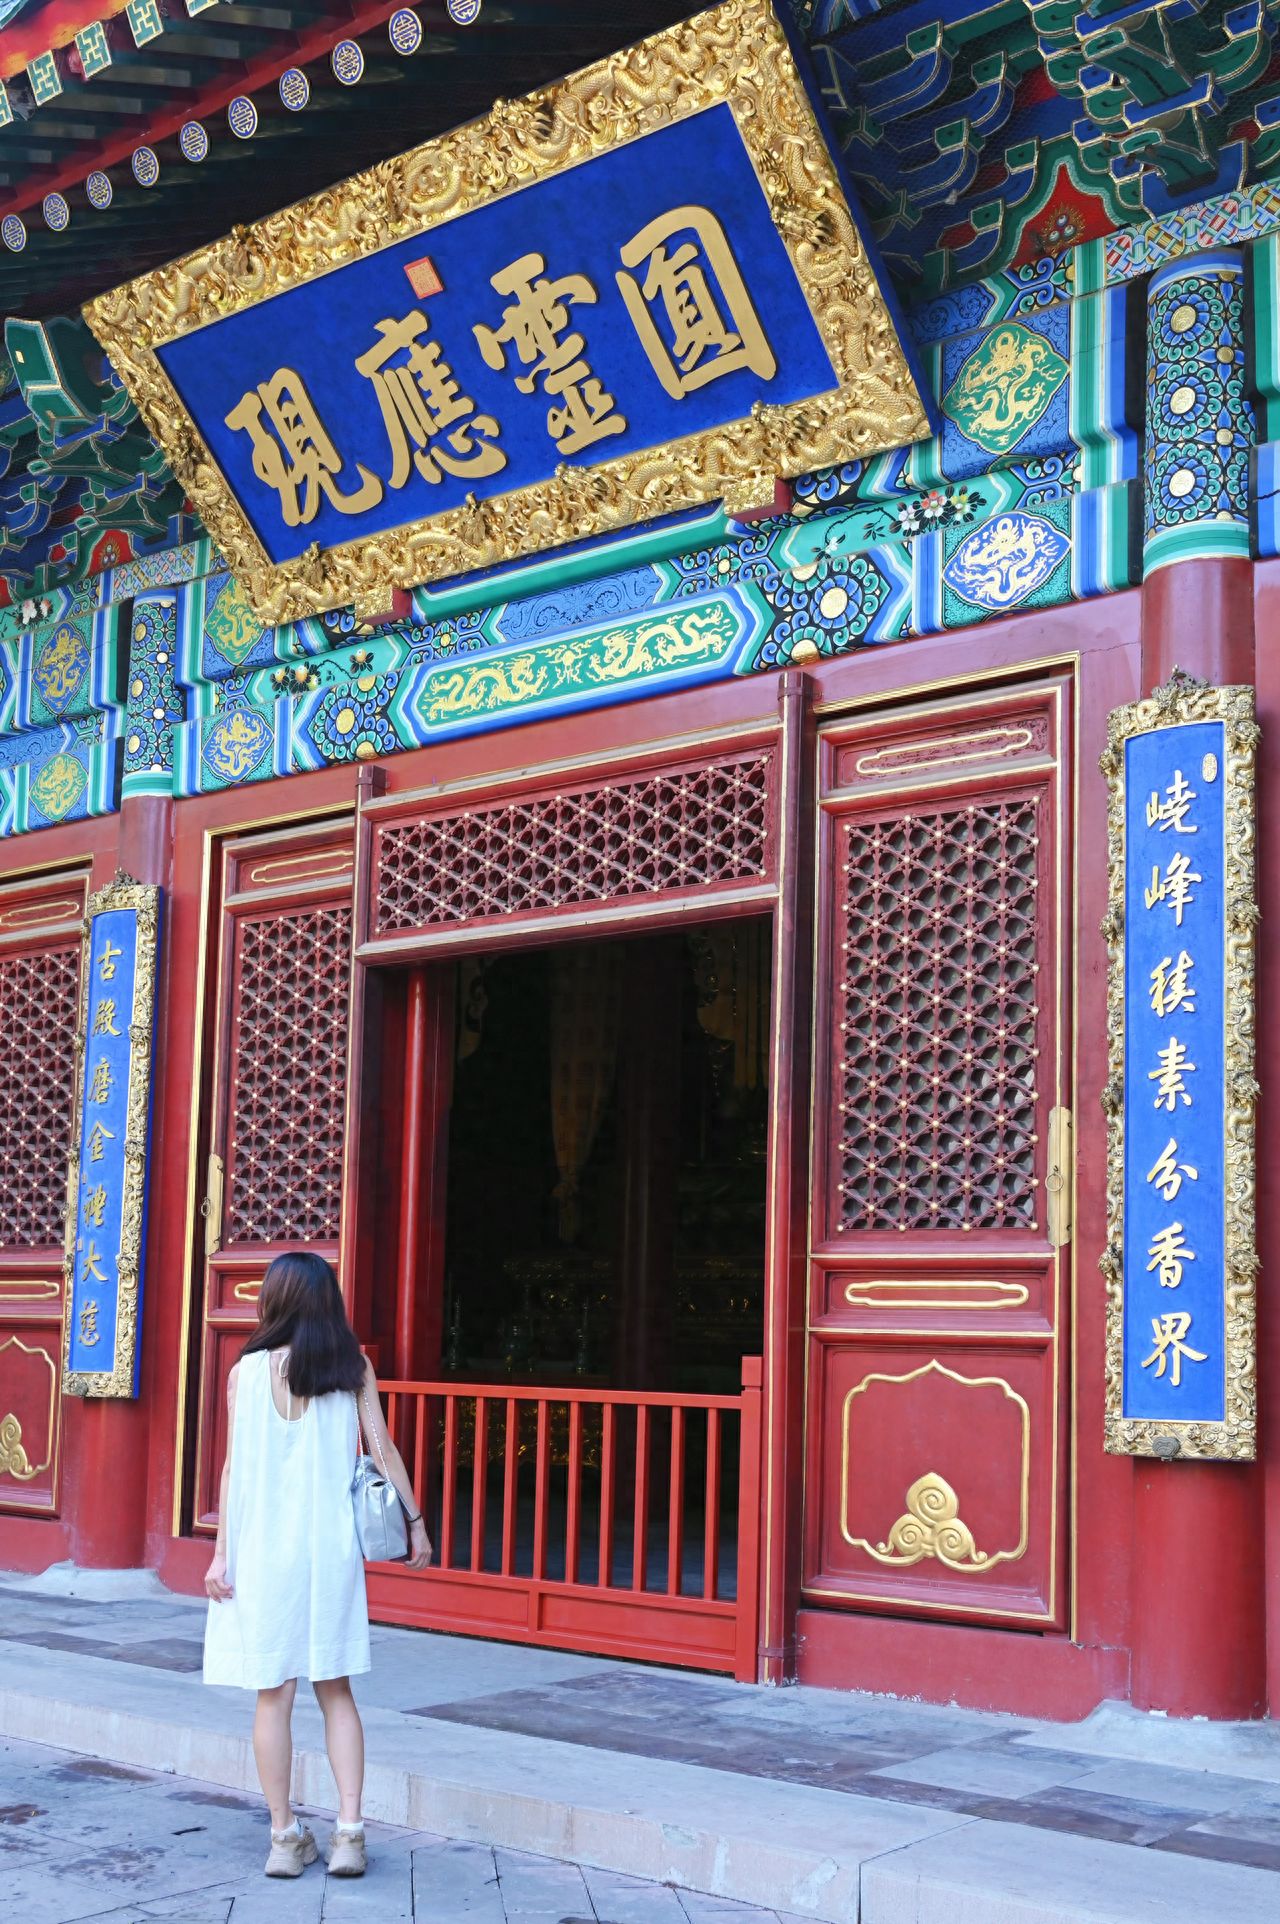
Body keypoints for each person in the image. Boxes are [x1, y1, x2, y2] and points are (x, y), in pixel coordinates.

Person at [203, 1251, 432, 1879]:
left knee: (272, 1694)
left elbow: (233, 1471)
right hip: (328, 1551)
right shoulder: (351, 1368)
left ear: (273, 1301)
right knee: (336, 1689)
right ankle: (349, 1833)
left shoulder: (245, 1373)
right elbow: (383, 1452)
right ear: (329, 1300)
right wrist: (414, 1522)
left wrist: (221, 1553)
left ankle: (284, 1837)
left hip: (262, 1553)